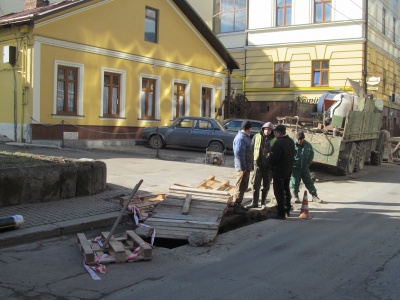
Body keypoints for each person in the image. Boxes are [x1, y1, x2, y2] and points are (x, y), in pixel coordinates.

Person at [246, 122, 276, 209]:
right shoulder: (257, 136)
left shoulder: (274, 139)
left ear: (271, 130)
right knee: (255, 184)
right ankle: (254, 202)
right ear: (263, 129)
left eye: (269, 129)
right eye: (266, 129)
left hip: (268, 166)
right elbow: (251, 149)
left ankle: (263, 203)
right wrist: (251, 163)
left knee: (266, 185)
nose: (267, 131)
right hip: (257, 165)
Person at [267, 124, 295, 219]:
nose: (274, 134)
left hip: (279, 171)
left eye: (275, 132)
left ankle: (281, 213)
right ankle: (287, 208)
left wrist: (269, 157)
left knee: (279, 192)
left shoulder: (278, 143)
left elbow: (274, 158)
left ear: (279, 133)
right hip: (288, 170)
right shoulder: (291, 141)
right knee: (286, 190)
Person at [290, 131, 323, 203]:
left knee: (309, 181)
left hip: (304, 168)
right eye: (298, 140)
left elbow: (311, 154)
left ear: (303, 139)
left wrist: (308, 163)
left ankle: (314, 196)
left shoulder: (307, 145)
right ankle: (295, 196)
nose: (299, 141)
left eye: (301, 140)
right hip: (295, 168)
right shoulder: (292, 145)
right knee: (295, 182)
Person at [232, 120, 254, 214]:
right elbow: (239, 154)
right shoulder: (241, 138)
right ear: (248, 129)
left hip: (245, 167)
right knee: (240, 186)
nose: (251, 130)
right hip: (242, 168)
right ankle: (236, 206)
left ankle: (239, 204)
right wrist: (243, 168)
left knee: (243, 186)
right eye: (250, 128)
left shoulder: (245, 137)